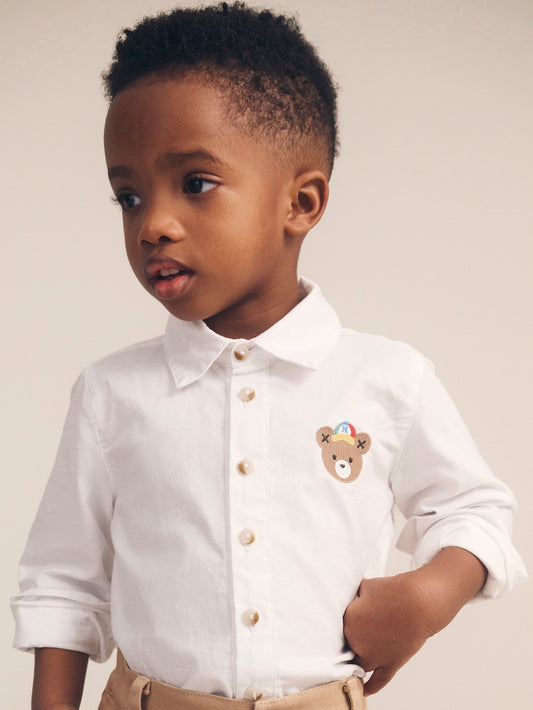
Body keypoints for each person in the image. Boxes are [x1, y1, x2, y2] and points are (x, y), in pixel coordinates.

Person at [11, 3, 526, 709]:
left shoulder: (386, 380)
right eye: (128, 197)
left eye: (195, 184)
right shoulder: (110, 394)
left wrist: (426, 598)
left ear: (301, 203)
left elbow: (474, 510)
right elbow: (64, 584)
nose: (152, 224)